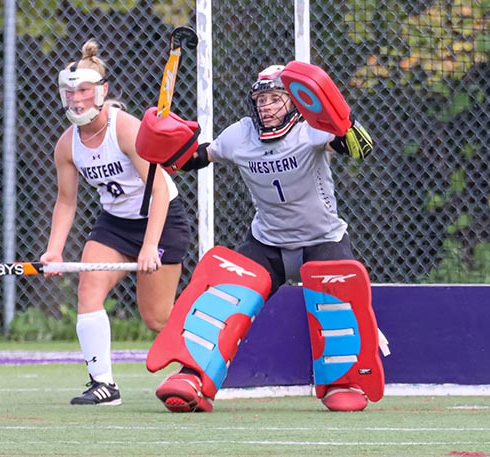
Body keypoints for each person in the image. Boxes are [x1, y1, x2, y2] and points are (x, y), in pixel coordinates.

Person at [148, 64, 376, 413]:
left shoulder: (313, 129)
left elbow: (361, 149)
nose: (267, 106)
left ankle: (343, 382)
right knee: (222, 295)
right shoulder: (240, 135)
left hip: (322, 237)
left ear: (295, 101)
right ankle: (193, 375)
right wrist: (167, 144)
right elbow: (196, 157)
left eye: (276, 98)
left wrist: (342, 119)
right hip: (267, 240)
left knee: (337, 302)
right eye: (262, 99)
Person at [40, 38, 191, 406]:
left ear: (102, 92)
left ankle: (203, 362)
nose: (76, 99)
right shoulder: (67, 145)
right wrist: (54, 251)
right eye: (70, 92)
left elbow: (157, 193)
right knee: (88, 289)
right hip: (115, 223)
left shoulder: (125, 130)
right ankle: (103, 384)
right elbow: (65, 201)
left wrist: (149, 246)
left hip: (161, 218)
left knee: (156, 318)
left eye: (84, 91)